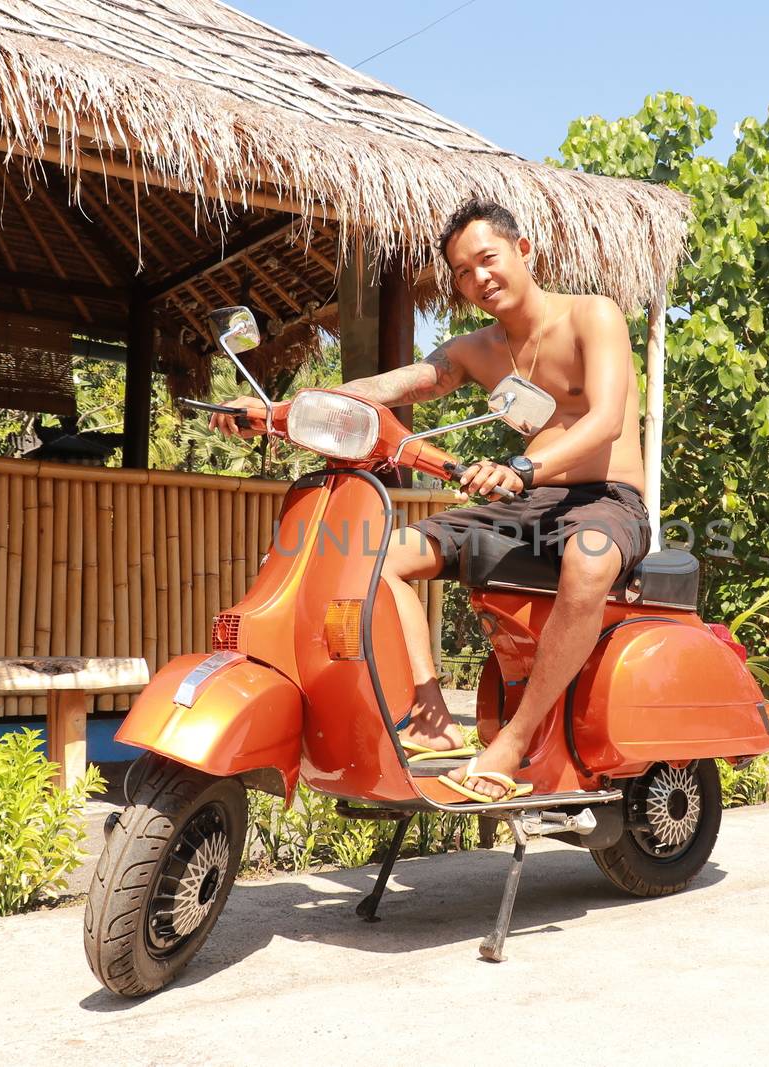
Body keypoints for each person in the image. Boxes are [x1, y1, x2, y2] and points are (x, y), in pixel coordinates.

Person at [212, 198, 650, 801]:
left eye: (487, 260)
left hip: (604, 498)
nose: (478, 279)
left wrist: (524, 467)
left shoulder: (592, 316)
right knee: (378, 558)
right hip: (523, 496)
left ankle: (515, 741)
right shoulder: (479, 348)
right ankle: (431, 712)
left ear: (524, 251)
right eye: (462, 272)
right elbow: (400, 383)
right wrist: (282, 411)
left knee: (590, 560)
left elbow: (602, 421)